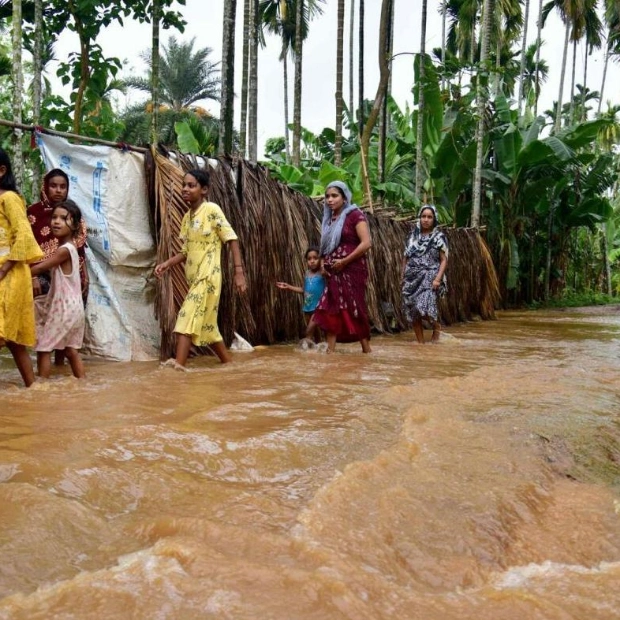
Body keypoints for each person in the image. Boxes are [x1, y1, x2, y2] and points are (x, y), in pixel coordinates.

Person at [154, 168, 247, 368]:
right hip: (195, 279)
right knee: (208, 328)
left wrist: (239, 272)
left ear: (204, 190)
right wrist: (166, 264)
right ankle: (230, 367)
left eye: (191, 185)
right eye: (184, 185)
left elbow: (231, 239)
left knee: (186, 317)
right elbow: (185, 251)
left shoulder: (212, 210)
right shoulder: (187, 218)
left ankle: (179, 367)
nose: (185, 189)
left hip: (209, 277)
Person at [0, 147, 45, 387]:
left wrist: (5, 269)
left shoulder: (9, 198)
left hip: (9, 273)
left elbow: (24, 236)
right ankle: (35, 388)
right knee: (14, 340)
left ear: (1, 171)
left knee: (6, 332)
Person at [312, 181, 372, 353]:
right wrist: (323, 264)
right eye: (327, 196)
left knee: (354, 307)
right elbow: (325, 247)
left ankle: (366, 350)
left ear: (345, 198)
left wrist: (344, 261)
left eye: (334, 196)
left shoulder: (355, 215)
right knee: (330, 308)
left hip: (352, 270)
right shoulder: (328, 220)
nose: (330, 200)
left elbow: (366, 243)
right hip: (332, 273)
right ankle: (330, 352)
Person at [31, 200, 86, 379]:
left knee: (44, 348)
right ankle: (83, 383)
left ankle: (41, 387)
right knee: (71, 351)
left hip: (64, 308)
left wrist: (14, 272)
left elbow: (39, 268)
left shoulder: (64, 250)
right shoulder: (70, 249)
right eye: (54, 217)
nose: (56, 221)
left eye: (64, 218)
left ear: (76, 225)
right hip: (75, 308)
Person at [28, 168, 89, 302]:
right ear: (45, 187)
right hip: (40, 275)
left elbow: (79, 249)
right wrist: (32, 277)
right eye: (53, 186)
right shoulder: (33, 213)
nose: (58, 190)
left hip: (70, 276)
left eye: (63, 187)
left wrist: (85, 276)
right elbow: (25, 246)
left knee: (68, 315)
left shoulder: (72, 213)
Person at [401, 204, 448, 344]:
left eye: (429, 217)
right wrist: (402, 276)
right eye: (423, 216)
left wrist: (438, 279)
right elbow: (405, 258)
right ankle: (421, 344)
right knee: (413, 311)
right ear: (419, 218)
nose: (426, 219)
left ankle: (436, 327)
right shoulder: (412, 237)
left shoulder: (439, 237)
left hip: (430, 276)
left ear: (434, 219)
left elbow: (444, 260)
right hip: (412, 277)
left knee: (425, 309)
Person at [276, 246, 325, 343]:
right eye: (309, 259)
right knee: (316, 335)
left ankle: (305, 354)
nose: (312, 261)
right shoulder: (306, 274)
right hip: (307, 308)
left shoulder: (322, 273)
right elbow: (303, 290)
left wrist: (323, 266)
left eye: (315, 258)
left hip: (318, 308)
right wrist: (288, 286)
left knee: (308, 332)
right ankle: (318, 354)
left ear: (320, 259)